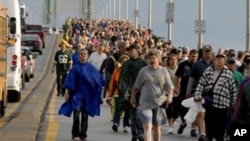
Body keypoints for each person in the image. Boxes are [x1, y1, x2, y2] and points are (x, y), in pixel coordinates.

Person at [130, 49, 174, 141]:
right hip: (145, 103)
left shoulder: (163, 71)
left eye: (154, 58)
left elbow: (170, 86)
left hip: (159, 103)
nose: (152, 60)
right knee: (147, 126)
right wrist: (132, 97)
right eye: (150, 58)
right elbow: (136, 86)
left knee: (157, 127)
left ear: (158, 59)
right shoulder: (143, 71)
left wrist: (170, 96)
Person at [62, 48, 105, 140]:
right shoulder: (75, 68)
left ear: (87, 56)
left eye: (85, 54)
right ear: (78, 56)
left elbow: (98, 82)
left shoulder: (92, 69)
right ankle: (75, 133)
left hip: (87, 97)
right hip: (76, 96)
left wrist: (98, 94)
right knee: (76, 114)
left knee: (85, 115)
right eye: (81, 54)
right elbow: (70, 82)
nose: (83, 55)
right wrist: (67, 93)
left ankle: (83, 134)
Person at [194, 52, 236, 141]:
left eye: (222, 59)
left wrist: (234, 104)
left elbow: (233, 90)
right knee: (209, 128)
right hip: (210, 104)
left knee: (220, 130)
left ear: (225, 61)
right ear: (215, 60)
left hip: (223, 105)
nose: (219, 60)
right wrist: (197, 95)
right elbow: (201, 84)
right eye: (218, 58)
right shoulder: (208, 71)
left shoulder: (229, 74)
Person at [118, 44, 147, 141]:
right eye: (129, 51)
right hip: (129, 93)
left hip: (141, 93)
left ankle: (140, 133)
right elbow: (122, 79)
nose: (131, 52)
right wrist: (123, 93)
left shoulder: (143, 63)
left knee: (139, 114)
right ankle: (134, 134)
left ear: (137, 50)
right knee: (132, 115)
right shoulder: (126, 64)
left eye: (132, 50)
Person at [186, 44, 214, 140]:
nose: (208, 54)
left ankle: (206, 131)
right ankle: (202, 133)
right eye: (206, 52)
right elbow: (192, 78)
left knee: (208, 114)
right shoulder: (197, 64)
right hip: (199, 92)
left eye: (209, 51)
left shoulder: (214, 64)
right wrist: (188, 91)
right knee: (200, 113)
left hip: (211, 93)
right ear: (203, 53)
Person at [174, 49, 199, 135]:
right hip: (184, 89)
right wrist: (176, 87)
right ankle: (183, 122)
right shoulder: (183, 65)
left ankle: (193, 129)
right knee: (182, 108)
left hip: (195, 90)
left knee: (195, 109)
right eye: (192, 56)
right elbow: (177, 76)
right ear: (189, 55)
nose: (194, 58)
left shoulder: (198, 65)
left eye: (195, 56)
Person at [107, 55, 130, 132]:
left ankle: (126, 125)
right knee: (118, 108)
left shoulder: (131, 71)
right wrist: (110, 95)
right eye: (123, 61)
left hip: (128, 93)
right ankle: (116, 123)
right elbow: (112, 83)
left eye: (126, 60)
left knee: (127, 109)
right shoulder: (117, 71)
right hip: (118, 92)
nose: (124, 62)